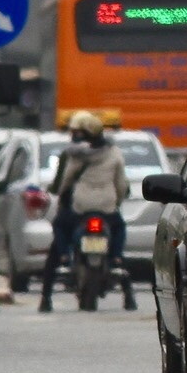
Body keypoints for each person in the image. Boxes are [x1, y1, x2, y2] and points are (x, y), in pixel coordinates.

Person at [40, 111, 132, 312]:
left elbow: (64, 181)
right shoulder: (114, 152)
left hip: (79, 208)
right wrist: (117, 200)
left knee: (59, 229)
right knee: (119, 229)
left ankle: (48, 292)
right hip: (107, 208)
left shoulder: (74, 154)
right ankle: (124, 283)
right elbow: (121, 184)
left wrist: (59, 192)